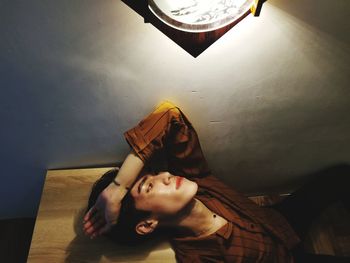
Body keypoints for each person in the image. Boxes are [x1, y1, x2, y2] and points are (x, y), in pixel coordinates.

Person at [83, 101, 349, 262]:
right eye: (150, 186)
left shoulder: (195, 179)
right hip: (286, 260)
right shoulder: (200, 257)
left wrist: (119, 187)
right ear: (147, 223)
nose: (165, 175)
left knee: (339, 176)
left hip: (277, 222)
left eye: (155, 174)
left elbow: (170, 115)